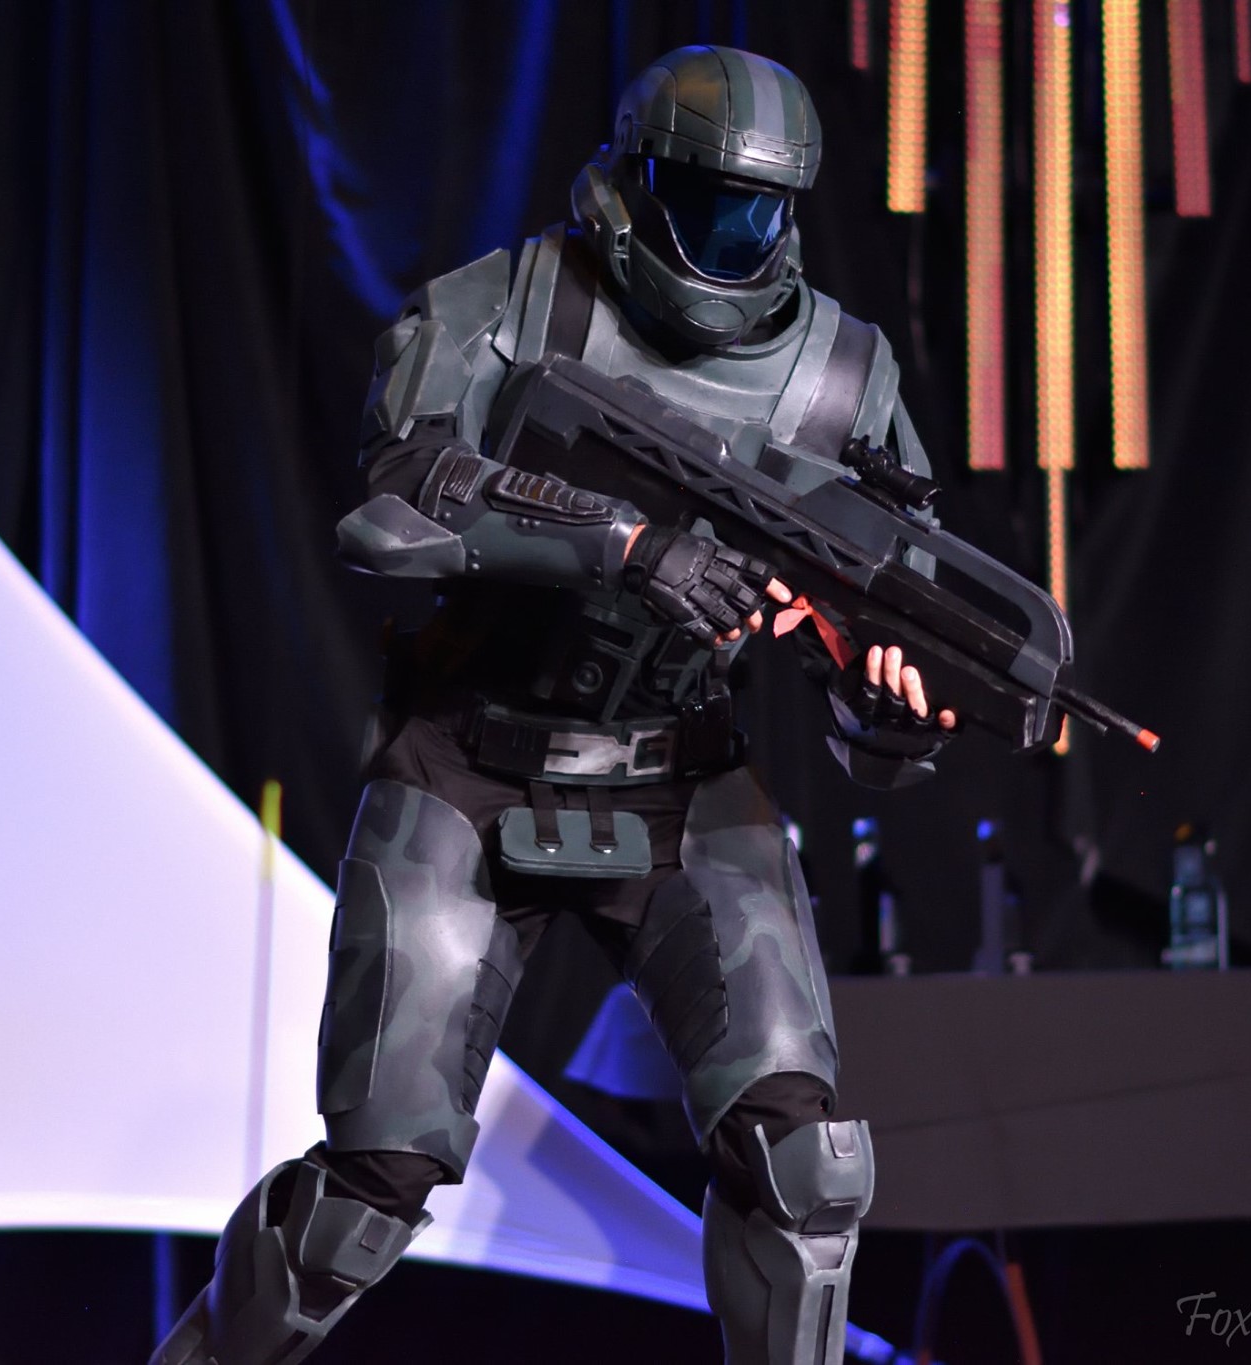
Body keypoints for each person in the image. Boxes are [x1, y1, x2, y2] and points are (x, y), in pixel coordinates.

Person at [153, 45, 955, 1365]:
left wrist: (891, 707)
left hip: (683, 778)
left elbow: (878, 654)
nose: (735, 238)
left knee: (805, 1168)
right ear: (637, 184)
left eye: (760, 210)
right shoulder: (509, 304)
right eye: (708, 204)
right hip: (470, 769)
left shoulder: (837, 378)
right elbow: (395, 507)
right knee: (366, 1194)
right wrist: (622, 544)